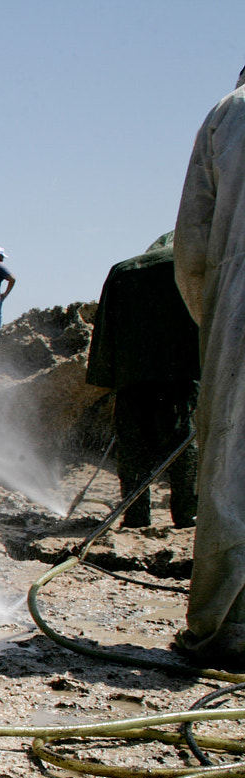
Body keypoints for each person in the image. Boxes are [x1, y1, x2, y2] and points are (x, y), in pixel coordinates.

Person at [173, 65, 245, 671]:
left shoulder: (228, 114)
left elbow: (192, 252)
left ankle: (229, 626)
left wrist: (216, 325)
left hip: (240, 309)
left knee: (232, 465)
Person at [84, 233, 199, 528]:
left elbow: (105, 326)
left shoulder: (124, 269)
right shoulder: (190, 264)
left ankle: (136, 516)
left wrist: (104, 376)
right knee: (182, 444)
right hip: (180, 372)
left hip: (132, 376)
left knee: (133, 448)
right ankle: (186, 515)